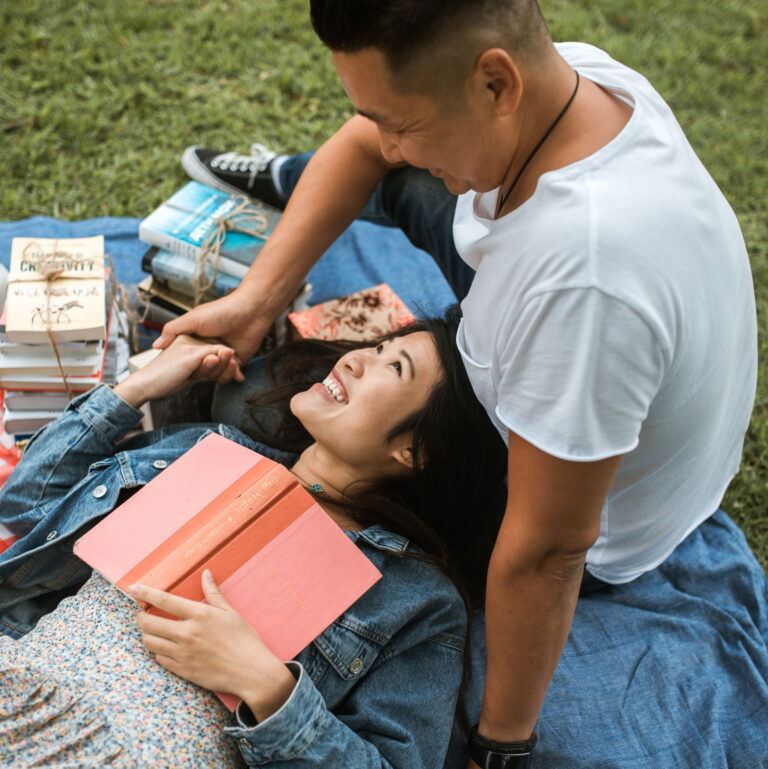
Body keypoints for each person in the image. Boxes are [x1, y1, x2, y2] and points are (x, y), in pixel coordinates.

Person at [160, 1, 758, 766]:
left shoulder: (583, 288)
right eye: (375, 113)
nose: (385, 139)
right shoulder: (574, 86)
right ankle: (287, 178)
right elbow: (366, 148)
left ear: (495, 82)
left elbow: (550, 550)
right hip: (569, 346)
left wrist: (501, 744)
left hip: (596, 511)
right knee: (406, 185)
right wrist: (258, 300)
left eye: (401, 121)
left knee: (253, 402)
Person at [0, 315, 508, 768]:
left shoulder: (417, 598)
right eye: (375, 347)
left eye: (394, 367)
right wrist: (139, 386)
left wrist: (267, 686)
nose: (354, 360)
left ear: (415, 450)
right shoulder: (209, 452)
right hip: (21, 685)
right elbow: (27, 506)